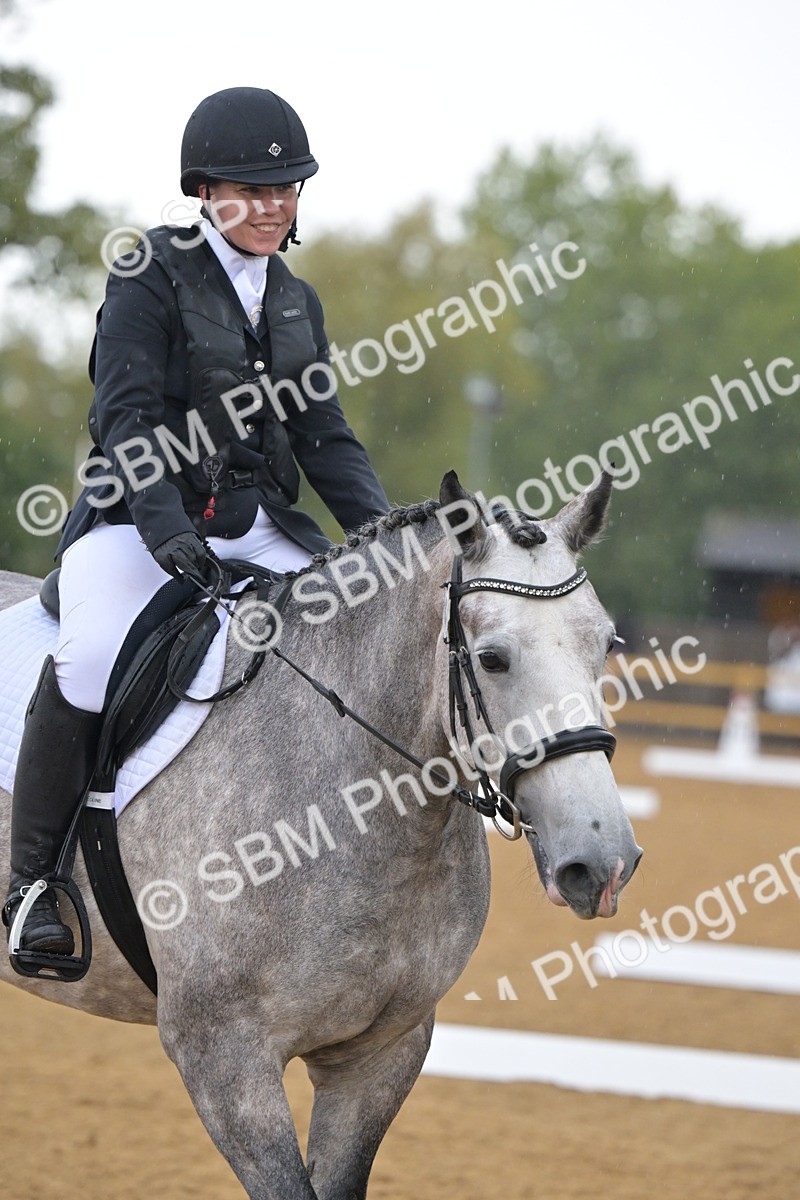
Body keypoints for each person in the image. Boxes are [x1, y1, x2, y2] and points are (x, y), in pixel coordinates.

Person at [4, 87, 389, 957]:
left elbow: (324, 439)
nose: (273, 206)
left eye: (286, 189)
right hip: (138, 519)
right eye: (253, 191)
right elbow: (126, 417)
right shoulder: (149, 272)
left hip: (258, 522)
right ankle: (32, 887)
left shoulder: (294, 300)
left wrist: (394, 539)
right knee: (90, 660)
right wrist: (165, 527)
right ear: (206, 192)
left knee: (363, 628)